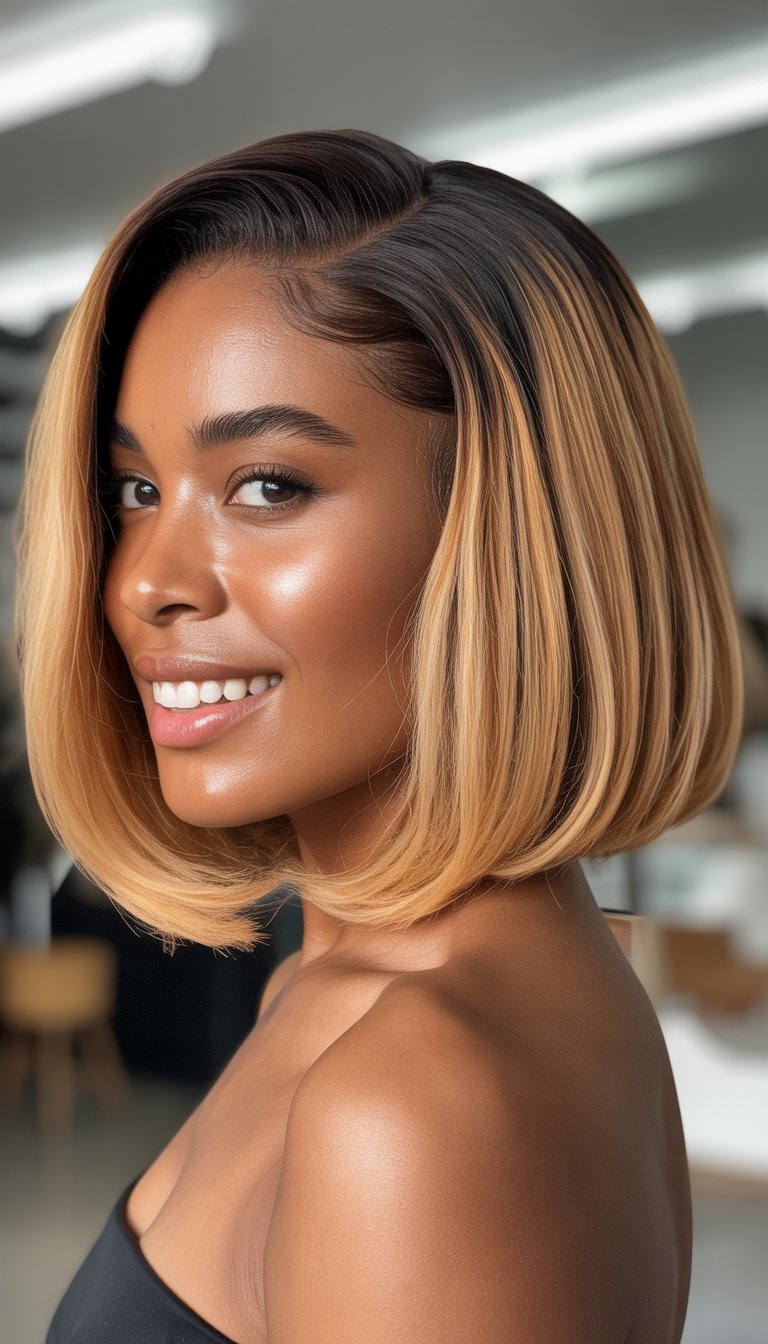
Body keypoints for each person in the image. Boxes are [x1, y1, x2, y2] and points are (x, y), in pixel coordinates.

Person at [17, 129, 743, 1344]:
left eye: (265, 487)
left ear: (508, 538)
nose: (147, 581)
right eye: (134, 492)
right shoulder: (345, 987)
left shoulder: (415, 1097)